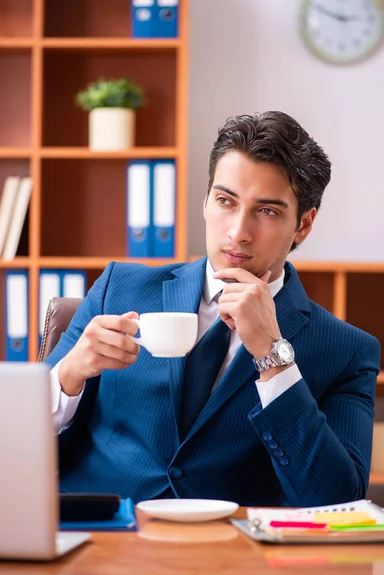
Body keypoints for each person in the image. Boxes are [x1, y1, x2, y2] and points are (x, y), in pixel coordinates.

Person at [46, 111, 380, 507]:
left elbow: (338, 500)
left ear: (303, 225)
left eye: (267, 211)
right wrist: (69, 377)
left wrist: (273, 356)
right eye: (225, 201)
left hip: (232, 555)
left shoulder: (346, 351)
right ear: (205, 201)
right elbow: (11, 442)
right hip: (102, 536)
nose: (238, 231)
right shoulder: (119, 287)